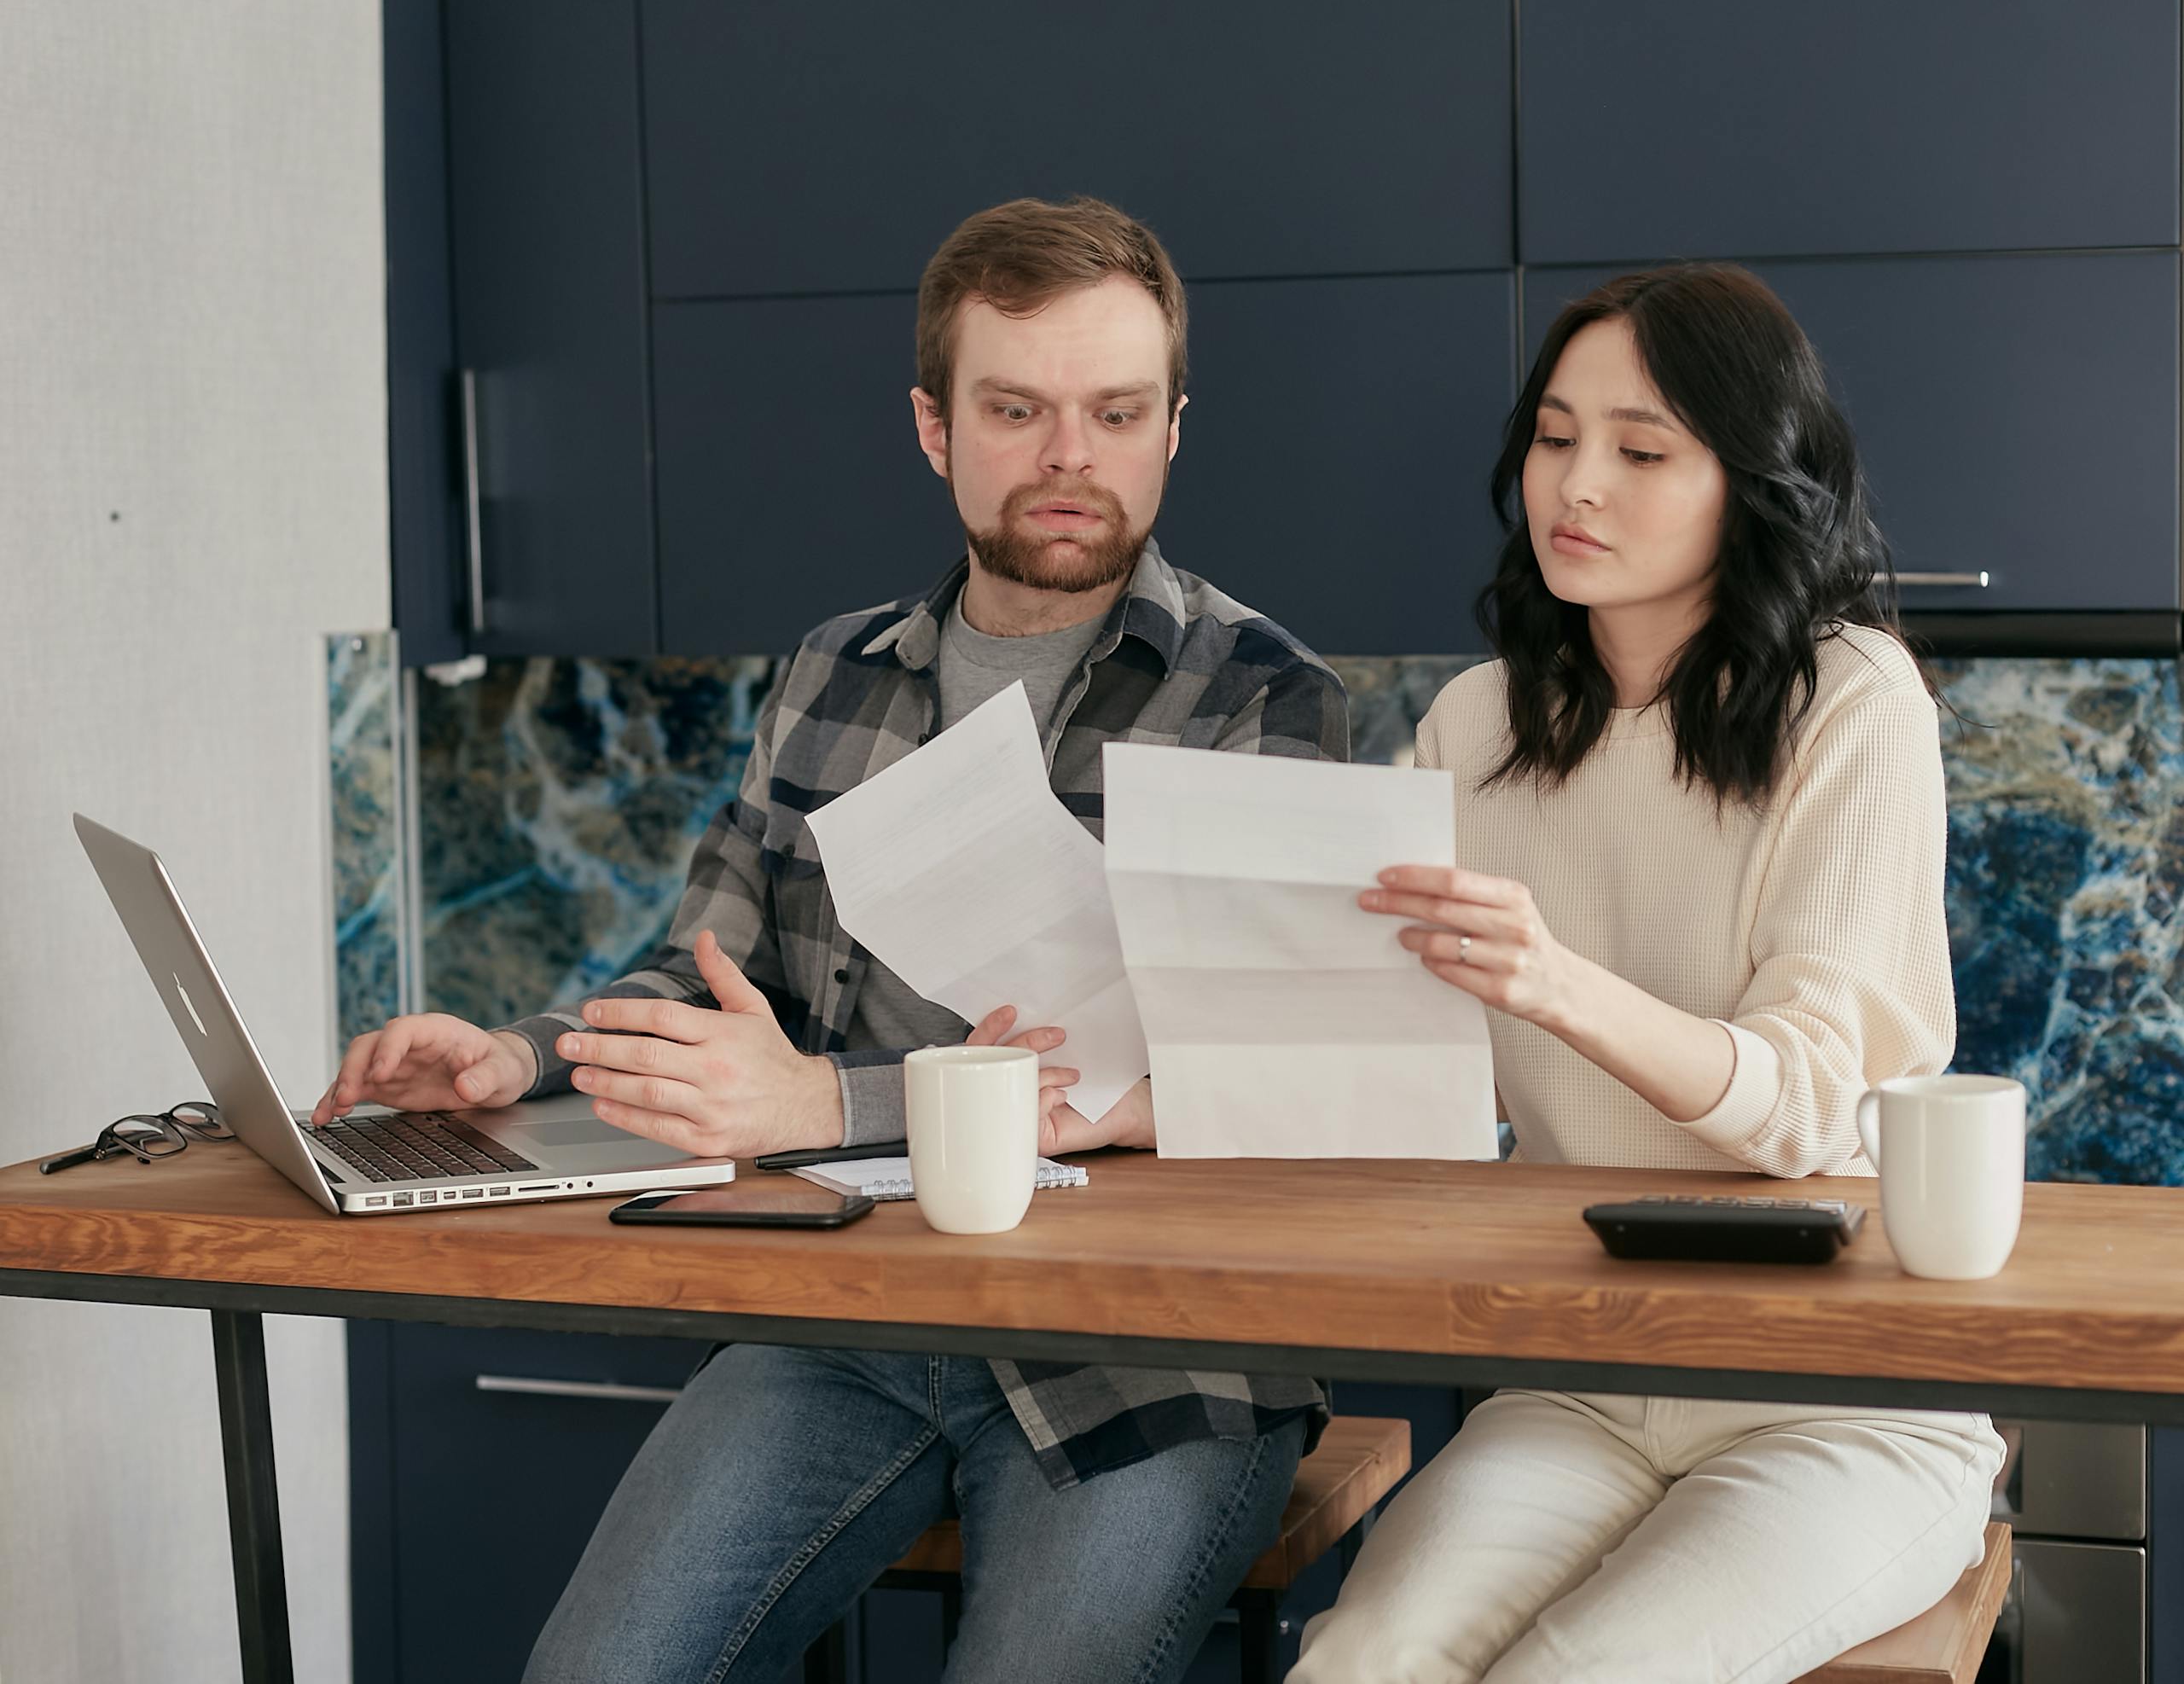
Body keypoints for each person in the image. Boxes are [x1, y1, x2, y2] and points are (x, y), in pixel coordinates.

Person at [314, 195, 1344, 1683]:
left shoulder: (1262, 697)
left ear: (1173, 425)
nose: (1071, 456)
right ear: (935, 427)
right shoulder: (830, 672)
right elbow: (712, 972)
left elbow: (1206, 1072)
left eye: (1117, 412)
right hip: (847, 1302)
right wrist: (523, 1054)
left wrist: (824, 1105)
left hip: (1147, 1348)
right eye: (1017, 409)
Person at [1290, 264, 2004, 1683]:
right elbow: (1375, 1074)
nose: (1579, 484)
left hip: (1849, 1398)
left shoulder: (1849, 700)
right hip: (1585, 1377)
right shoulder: (1475, 723)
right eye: (1556, 437)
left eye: (1642, 448)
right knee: (1353, 1668)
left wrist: (1552, 983)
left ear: (1751, 482)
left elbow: (1818, 1105)